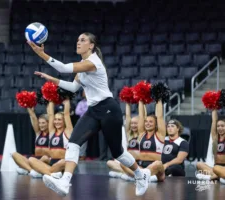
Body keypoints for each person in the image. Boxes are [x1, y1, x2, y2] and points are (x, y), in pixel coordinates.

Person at [28, 32, 150, 196]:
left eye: (83, 40)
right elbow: (72, 88)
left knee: (118, 153)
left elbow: (64, 68)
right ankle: (65, 182)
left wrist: (41, 53)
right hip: (93, 110)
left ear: (91, 46)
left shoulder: (92, 62)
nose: (78, 42)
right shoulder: (83, 64)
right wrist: (51, 78)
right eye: (77, 39)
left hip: (108, 109)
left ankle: (140, 174)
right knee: (73, 143)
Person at [117, 100, 166, 182]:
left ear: (156, 124)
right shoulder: (142, 134)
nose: (147, 123)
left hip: (156, 170)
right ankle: (143, 177)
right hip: (141, 167)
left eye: (151, 122)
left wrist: (159, 99)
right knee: (123, 163)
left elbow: (160, 116)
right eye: (146, 122)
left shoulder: (160, 135)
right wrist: (140, 99)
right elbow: (141, 116)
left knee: (158, 164)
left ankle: (141, 177)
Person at [28, 99, 73, 178]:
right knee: (31, 159)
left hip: (61, 164)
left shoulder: (68, 132)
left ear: (64, 121)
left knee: (64, 161)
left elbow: (66, 114)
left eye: (59, 120)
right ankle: (52, 173)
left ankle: (44, 172)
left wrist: (66, 103)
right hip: (51, 162)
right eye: (55, 120)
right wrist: (50, 98)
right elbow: (50, 114)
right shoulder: (52, 132)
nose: (56, 122)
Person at [107, 103, 142, 178]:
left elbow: (142, 117)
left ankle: (128, 173)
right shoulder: (130, 135)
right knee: (109, 163)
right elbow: (128, 116)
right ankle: (128, 173)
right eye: (132, 123)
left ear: (140, 124)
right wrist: (127, 103)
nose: (133, 125)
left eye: (135, 123)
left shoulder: (141, 135)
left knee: (121, 165)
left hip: (138, 163)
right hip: (129, 162)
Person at [12, 107, 50, 175]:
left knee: (44, 158)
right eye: (40, 123)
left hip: (44, 162)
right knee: (15, 154)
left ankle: (27, 169)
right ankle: (32, 171)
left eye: (43, 123)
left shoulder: (52, 134)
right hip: (34, 159)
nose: (41, 125)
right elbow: (33, 117)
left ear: (49, 123)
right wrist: (29, 109)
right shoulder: (38, 133)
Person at [196, 110, 225, 181]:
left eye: (222, 126)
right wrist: (214, 107)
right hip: (215, 167)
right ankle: (218, 176)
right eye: (218, 126)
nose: (220, 128)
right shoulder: (215, 138)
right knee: (199, 164)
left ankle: (214, 176)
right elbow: (214, 120)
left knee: (216, 168)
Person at [75, 90, 88, 160]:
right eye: (83, 92)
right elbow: (77, 112)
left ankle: (82, 154)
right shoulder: (80, 102)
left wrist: (83, 111)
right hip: (82, 122)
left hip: (91, 121)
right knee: (82, 138)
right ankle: (81, 154)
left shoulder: (92, 102)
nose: (84, 93)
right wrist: (85, 111)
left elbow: (92, 111)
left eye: (85, 92)